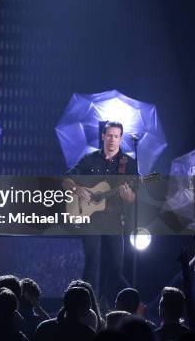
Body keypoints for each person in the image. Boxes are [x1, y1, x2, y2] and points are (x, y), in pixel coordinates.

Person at [62, 121, 138, 308]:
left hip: (114, 219)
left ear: (121, 139)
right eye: (109, 135)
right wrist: (77, 188)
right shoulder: (90, 159)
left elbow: (133, 196)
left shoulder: (128, 164)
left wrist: (129, 197)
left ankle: (105, 304)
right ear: (103, 136)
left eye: (116, 136)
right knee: (92, 262)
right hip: (90, 219)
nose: (112, 139)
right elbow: (65, 180)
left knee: (116, 265)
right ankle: (86, 304)